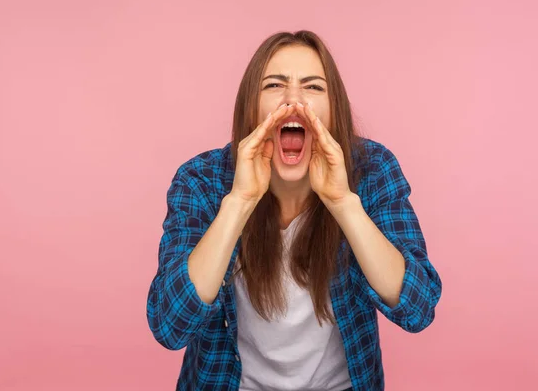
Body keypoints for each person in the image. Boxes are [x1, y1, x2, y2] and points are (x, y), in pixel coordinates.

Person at [146, 30, 442, 391]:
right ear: (249, 108)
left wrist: (343, 203)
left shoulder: (373, 169)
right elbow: (170, 324)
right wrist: (238, 202)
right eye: (274, 85)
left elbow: (418, 306)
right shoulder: (201, 180)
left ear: (335, 111)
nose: (293, 101)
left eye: (313, 87)